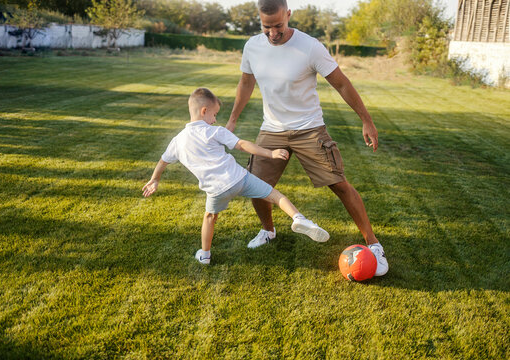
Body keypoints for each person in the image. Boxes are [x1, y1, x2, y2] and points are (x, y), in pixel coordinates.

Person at [225, 0, 388, 276]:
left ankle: (373, 244)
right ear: (259, 21)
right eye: (267, 27)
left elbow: (341, 83)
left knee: (339, 184)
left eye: (278, 25)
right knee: (255, 185)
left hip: (309, 129)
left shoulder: (309, 46)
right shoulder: (252, 46)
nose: (273, 33)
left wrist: (366, 120)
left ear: (288, 15)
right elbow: (245, 82)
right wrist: (232, 120)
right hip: (272, 129)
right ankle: (268, 231)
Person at [142, 87, 330, 265]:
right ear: (204, 111)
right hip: (239, 179)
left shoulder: (177, 141)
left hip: (215, 191)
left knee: (209, 217)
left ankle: (205, 255)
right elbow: (242, 145)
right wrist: (270, 153)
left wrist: (155, 179)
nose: (215, 120)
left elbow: (163, 161)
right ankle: (299, 219)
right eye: (214, 115)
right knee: (275, 195)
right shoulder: (214, 131)